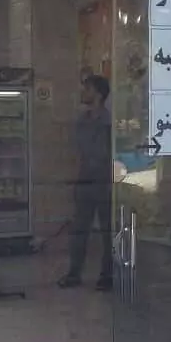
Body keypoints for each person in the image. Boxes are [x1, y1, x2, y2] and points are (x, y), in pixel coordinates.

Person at [59, 72, 113, 290]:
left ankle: (107, 275)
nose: (83, 93)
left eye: (87, 89)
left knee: (108, 231)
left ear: (98, 94)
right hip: (85, 180)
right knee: (79, 229)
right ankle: (74, 273)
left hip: (103, 181)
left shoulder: (109, 122)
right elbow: (76, 151)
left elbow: (109, 153)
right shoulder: (81, 120)